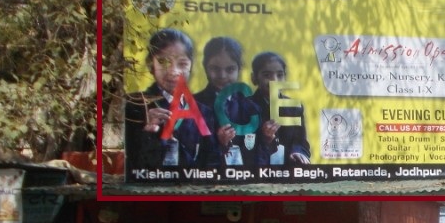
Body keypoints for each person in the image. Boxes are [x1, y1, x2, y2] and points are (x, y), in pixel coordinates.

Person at [124, 28, 217, 169]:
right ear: (151, 65)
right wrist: (149, 133)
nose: (174, 71)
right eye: (163, 62)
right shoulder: (135, 105)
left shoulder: (203, 112)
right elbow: (133, 164)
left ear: (191, 66)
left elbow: (211, 162)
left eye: (182, 64)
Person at [221, 51, 310, 168]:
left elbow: (300, 142)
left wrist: (298, 152)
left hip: (286, 175)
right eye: (267, 75)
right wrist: (265, 139)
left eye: (280, 75)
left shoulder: (294, 108)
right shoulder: (242, 107)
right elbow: (239, 147)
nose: (274, 80)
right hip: (255, 173)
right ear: (254, 78)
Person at [194, 36, 247, 164]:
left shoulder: (248, 105)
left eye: (230, 69)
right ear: (205, 67)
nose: (222, 76)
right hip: (206, 178)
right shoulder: (194, 104)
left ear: (239, 69)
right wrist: (220, 144)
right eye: (215, 69)